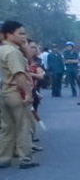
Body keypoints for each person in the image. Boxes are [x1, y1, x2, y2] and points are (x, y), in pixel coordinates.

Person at [0, 21, 39, 169]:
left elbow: (28, 58)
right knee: (23, 126)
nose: (24, 37)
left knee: (6, 127)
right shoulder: (12, 52)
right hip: (16, 92)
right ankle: (25, 159)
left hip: (4, 92)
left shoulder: (3, 50)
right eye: (20, 33)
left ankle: (4, 158)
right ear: (9, 34)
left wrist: (23, 45)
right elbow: (19, 76)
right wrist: (29, 95)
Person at [23, 40, 44, 149]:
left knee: (32, 115)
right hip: (23, 92)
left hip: (33, 90)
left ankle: (30, 140)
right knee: (26, 118)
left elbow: (41, 75)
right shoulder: (21, 59)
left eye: (35, 47)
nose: (34, 49)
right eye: (31, 47)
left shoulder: (37, 61)